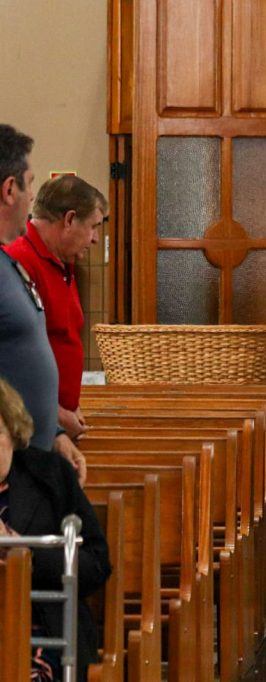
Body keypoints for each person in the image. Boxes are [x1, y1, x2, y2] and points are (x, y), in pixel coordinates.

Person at [0, 378, 111, 681]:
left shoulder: (50, 475)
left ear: (13, 432)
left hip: (42, 629)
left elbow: (97, 563)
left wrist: (26, 554)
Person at [0, 124, 86, 482]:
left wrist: (53, 432)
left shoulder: (7, 263)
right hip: (10, 468)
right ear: (9, 189)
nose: (32, 196)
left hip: (32, 461)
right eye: (29, 183)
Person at [6, 175, 107, 442]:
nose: (96, 239)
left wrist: (70, 405)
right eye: (93, 227)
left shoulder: (64, 262)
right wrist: (57, 417)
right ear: (70, 219)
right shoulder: (19, 261)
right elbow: (11, 362)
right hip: (30, 428)